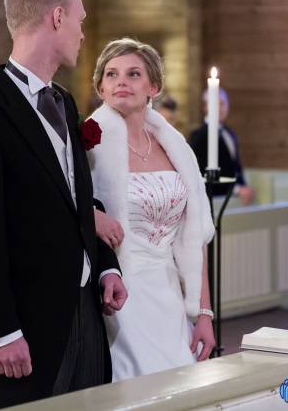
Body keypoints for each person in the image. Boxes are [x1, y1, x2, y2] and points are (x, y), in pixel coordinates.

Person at [0, 0, 127, 410]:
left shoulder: (64, 101)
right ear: (57, 17)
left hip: (85, 312)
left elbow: (76, 199)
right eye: (80, 20)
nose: (82, 33)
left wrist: (106, 267)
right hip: (26, 325)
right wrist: (0, 332)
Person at [87, 38, 216, 380]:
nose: (121, 82)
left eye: (133, 74)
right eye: (111, 74)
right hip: (119, 293)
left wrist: (203, 313)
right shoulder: (89, 146)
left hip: (170, 294)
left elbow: (195, 237)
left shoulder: (175, 149)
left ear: (153, 87)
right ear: (101, 88)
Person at [189, 87, 255, 204]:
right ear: (205, 107)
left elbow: (236, 168)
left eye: (222, 104)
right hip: (213, 201)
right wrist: (237, 190)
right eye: (215, 104)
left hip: (236, 200)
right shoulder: (198, 136)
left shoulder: (230, 134)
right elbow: (199, 173)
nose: (219, 108)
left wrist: (243, 187)